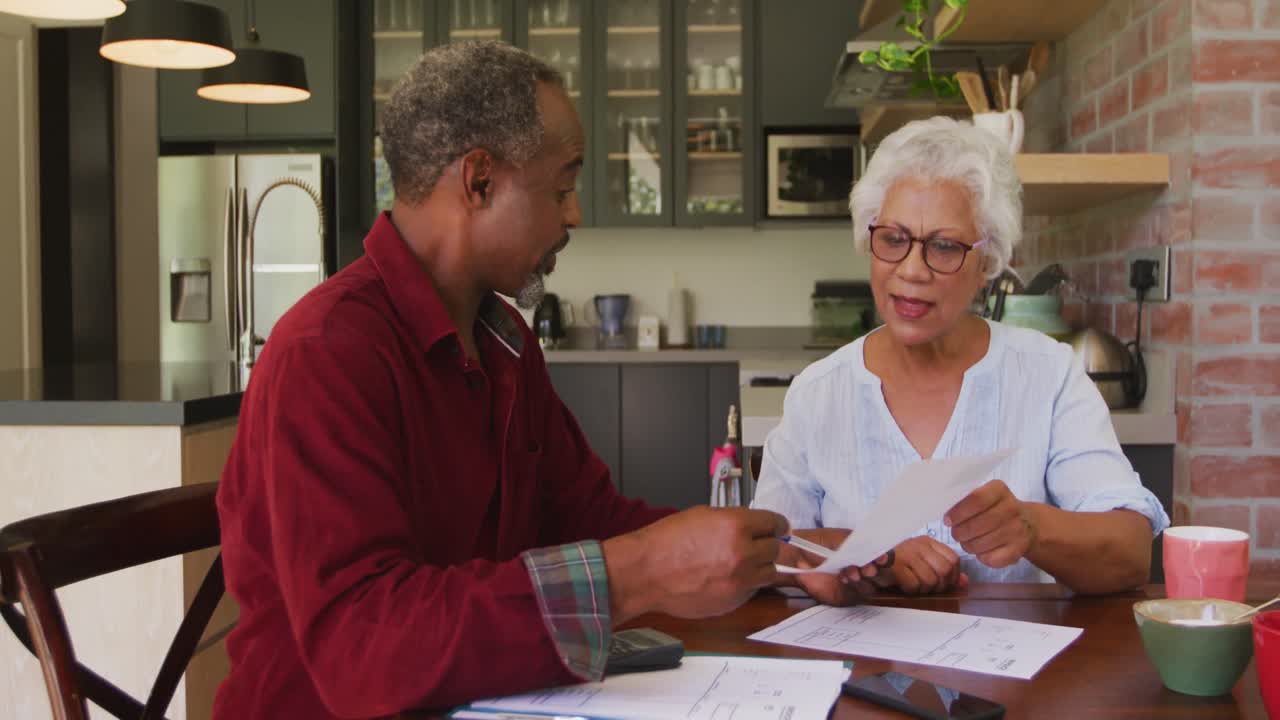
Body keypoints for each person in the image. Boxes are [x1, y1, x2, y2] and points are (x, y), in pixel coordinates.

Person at [214, 42, 814, 718]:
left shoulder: (503, 341)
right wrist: (640, 573)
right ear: (479, 182)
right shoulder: (326, 354)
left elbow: (589, 518)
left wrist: (784, 557)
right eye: (561, 187)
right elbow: (364, 647)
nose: (574, 214)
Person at [752, 116, 1170, 597]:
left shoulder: (1048, 374)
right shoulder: (817, 392)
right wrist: (859, 554)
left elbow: (1130, 553)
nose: (912, 270)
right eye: (893, 239)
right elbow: (767, 553)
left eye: (945, 246)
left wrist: (1032, 528)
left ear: (986, 262)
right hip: (853, 648)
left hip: (1012, 648)